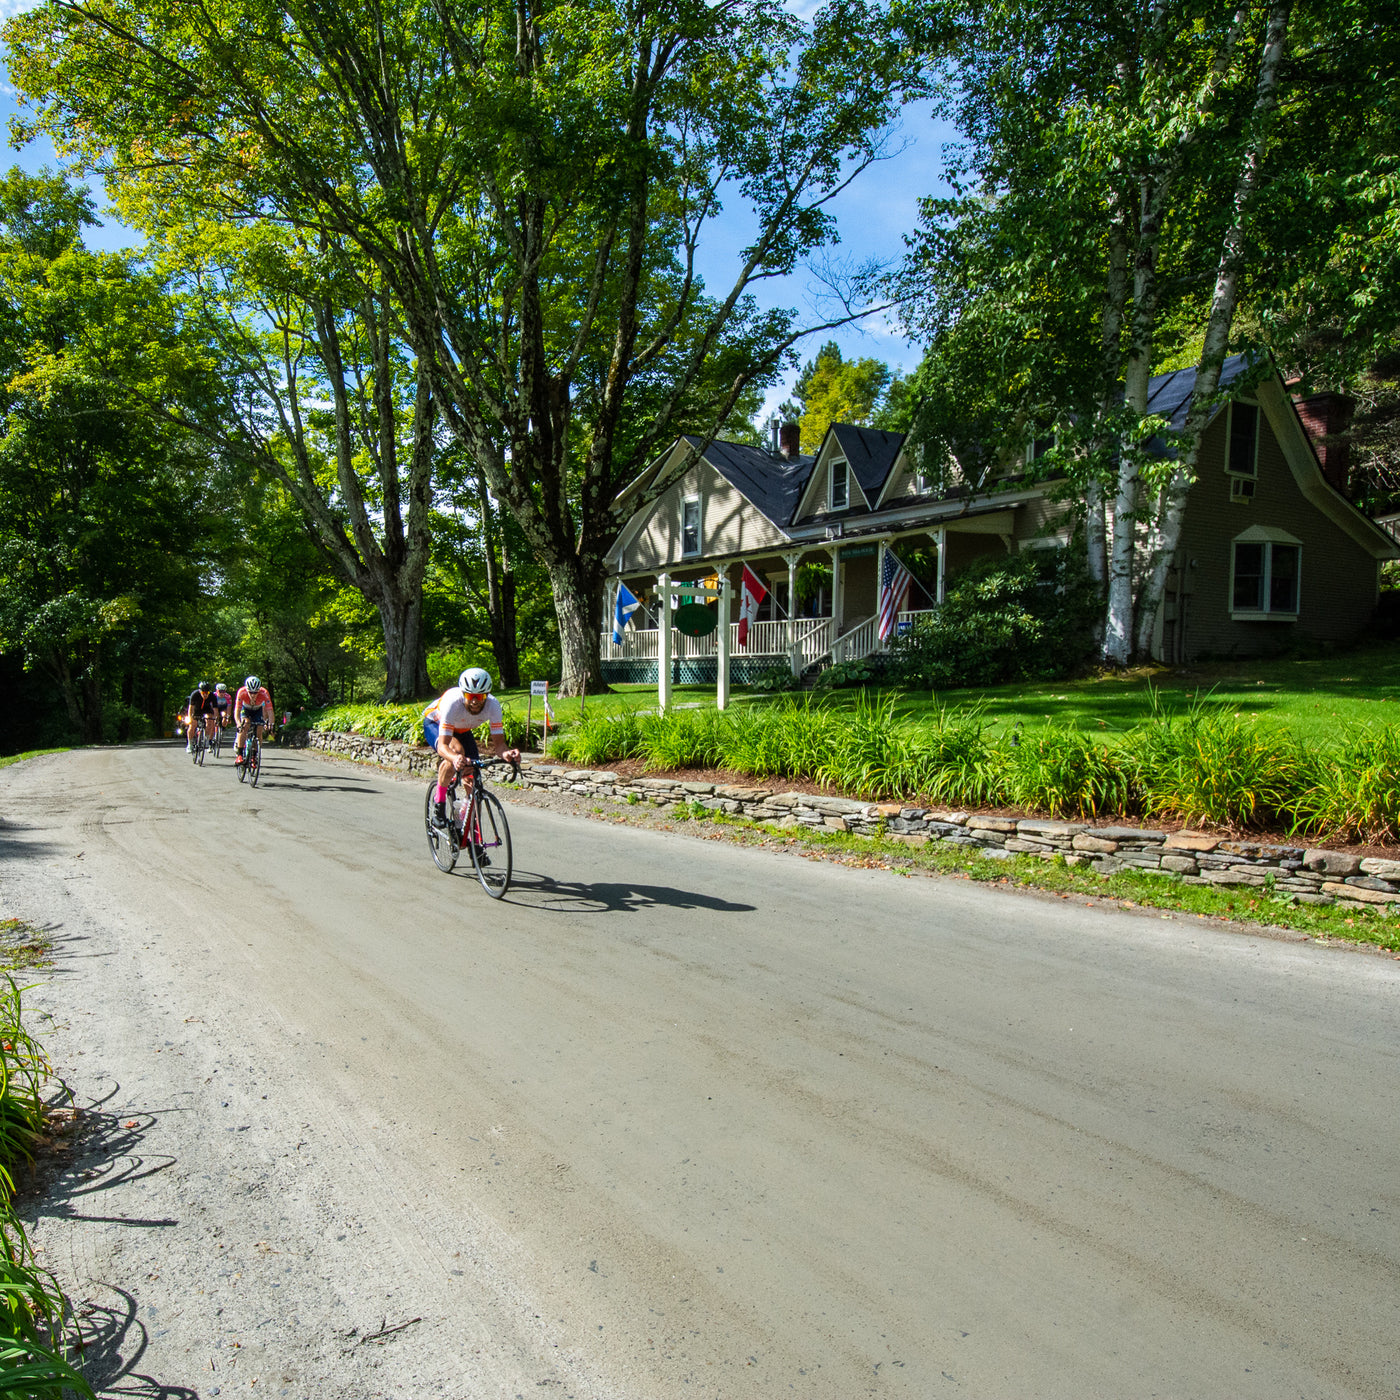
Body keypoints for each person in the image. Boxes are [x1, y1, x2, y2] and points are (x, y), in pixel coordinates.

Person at [422, 668, 520, 851]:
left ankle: (472, 837)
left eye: (480, 697)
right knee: (456, 752)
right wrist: (455, 758)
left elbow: (499, 745)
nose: (475, 701)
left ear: (487, 695)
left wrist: (507, 754)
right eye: (470, 696)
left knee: (472, 783)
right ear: (463, 694)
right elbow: (443, 747)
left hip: (462, 730)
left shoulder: (493, 706)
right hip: (435, 723)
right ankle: (439, 802)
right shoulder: (453, 703)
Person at [232, 675, 274, 767]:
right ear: (247, 690)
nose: (253, 695)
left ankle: (254, 756)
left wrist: (271, 725)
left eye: (255, 692)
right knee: (245, 724)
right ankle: (239, 754)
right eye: (250, 692)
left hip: (258, 709)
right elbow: (237, 710)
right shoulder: (241, 692)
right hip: (245, 709)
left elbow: (270, 711)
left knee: (259, 729)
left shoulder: (264, 693)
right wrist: (238, 723)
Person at [184, 681, 217, 753]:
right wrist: (190, 718)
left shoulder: (212, 696)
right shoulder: (195, 694)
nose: (205, 694)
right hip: (196, 710)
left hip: (206, 709)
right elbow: (191, 708)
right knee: (193, 725)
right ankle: (189, 744)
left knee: (210, 721)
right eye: (203, 693)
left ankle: (206, 739)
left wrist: (215, 719)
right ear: (200, 691)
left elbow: (215, 709)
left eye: (207, 693)